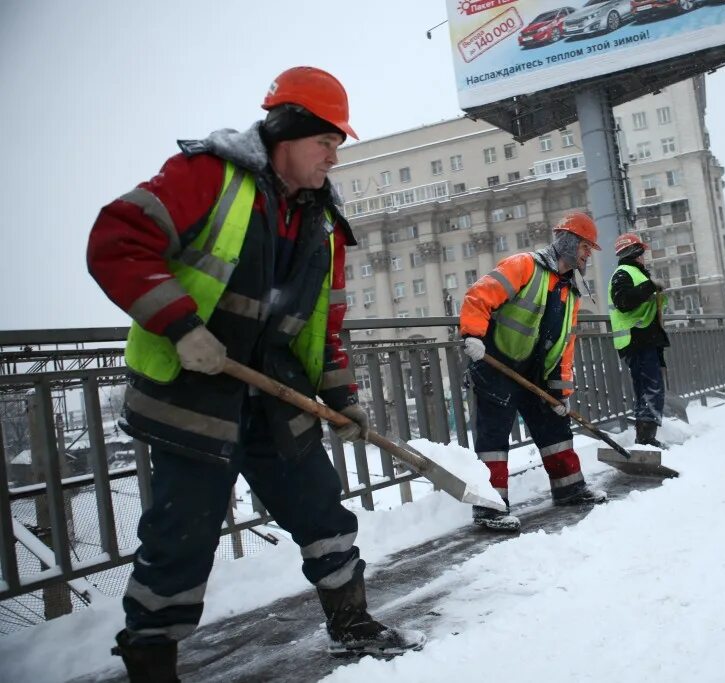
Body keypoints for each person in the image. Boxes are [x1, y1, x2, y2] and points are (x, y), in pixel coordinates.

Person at [87, 66, 424, 681]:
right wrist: (183, 327)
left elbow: (327, 322)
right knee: (181, 536)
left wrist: (343, 396)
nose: (332, 158)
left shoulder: (323, 219)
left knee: (322, 511)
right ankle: (151, 661)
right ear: (286, 133)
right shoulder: (206, 176)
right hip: (194, 392)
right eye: (325, 142)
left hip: (277, 389)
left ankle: (351, 623)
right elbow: (116, 240)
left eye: (337, 147)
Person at [460, 211, 608, 532]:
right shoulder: (524, 265)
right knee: (494, 436)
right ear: (568, 242)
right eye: (585, 247)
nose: (587, 255)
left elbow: (564, 346)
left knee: (555, 427)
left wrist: (560, 392)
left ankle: (570, 489)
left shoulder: (571, 291)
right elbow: (479, 296)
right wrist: (472, 335)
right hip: (495, 361)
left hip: (535, 372)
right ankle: (490, 507)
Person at [608, 232, 670, 448]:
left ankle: (646, 436)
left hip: (645, 339)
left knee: (649, 387)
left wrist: (656, 293)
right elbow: (623, 301)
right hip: (637, 340)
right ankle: (645, 438)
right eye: (641, 252)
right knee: (648, 388)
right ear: (634, 253)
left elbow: (645, 303)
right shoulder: (623, 273)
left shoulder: (636, 273)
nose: (644, 257)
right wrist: (651, 286)